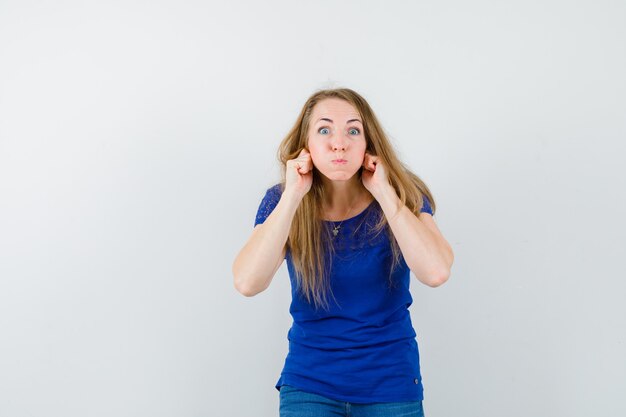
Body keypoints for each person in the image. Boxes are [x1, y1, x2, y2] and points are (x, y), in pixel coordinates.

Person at [232, 88, 454, 417]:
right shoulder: (282, 199)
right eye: (324, 130)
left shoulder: (402, 193)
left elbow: (435, 272)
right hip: (310, 383)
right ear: (306, 144)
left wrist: (383, 192)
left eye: (353, 130)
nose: (339, 143)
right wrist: (293, 194)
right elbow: (248, 282)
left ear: (368, 144)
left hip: (390, 382)